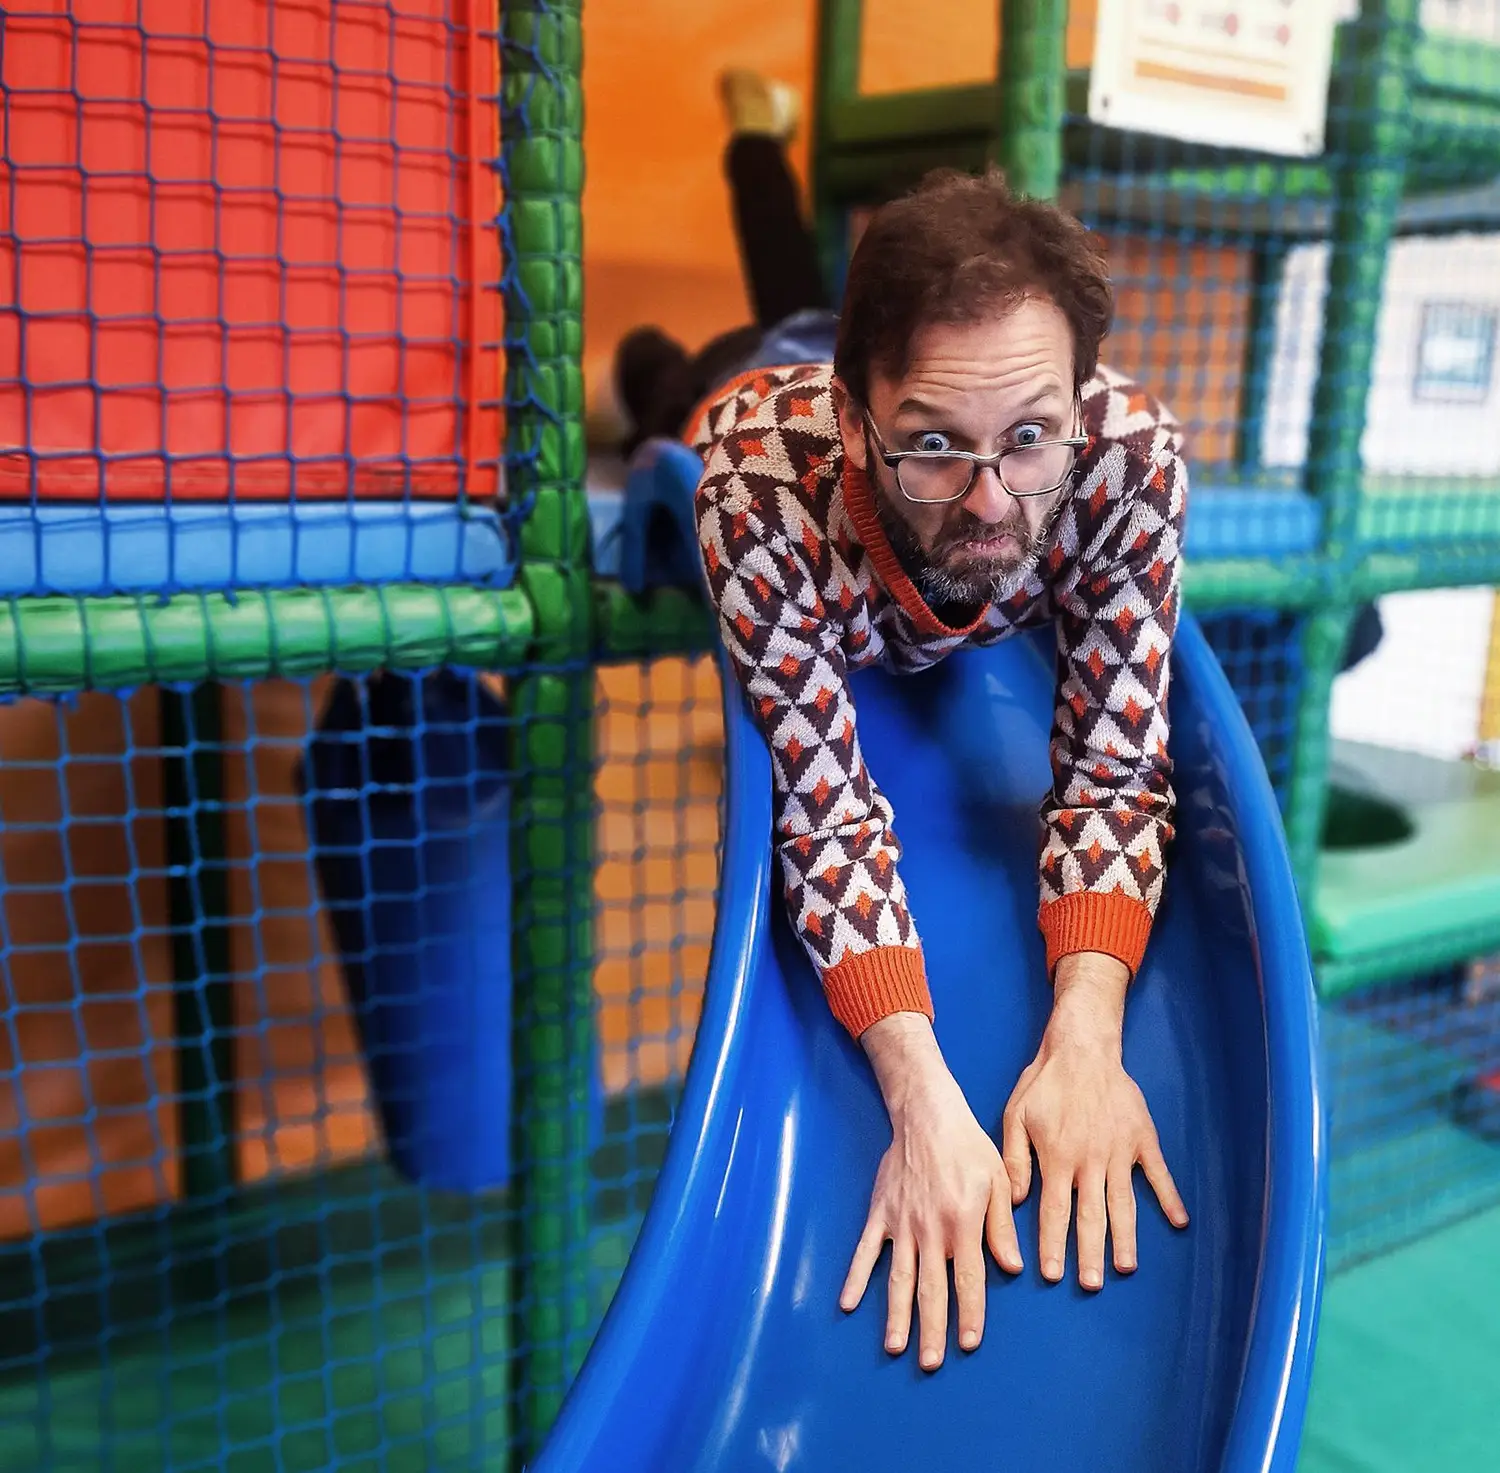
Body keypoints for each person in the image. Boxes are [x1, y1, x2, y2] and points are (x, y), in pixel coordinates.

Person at [662, 75, 1192, 1374]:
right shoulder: (764, 497)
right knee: (702, 356)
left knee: (805, 296)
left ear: (1078, 400)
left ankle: (764, 146)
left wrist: (1087, 1029)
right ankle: (745, 162)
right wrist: (918, 1088)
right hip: (750, 394)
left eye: (1029, 438)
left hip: (853, 357)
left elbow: (1117, 755)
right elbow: (822, 799)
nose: (996, 501)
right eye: (934, 448)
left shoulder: (1122, 461)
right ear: (861, 429)